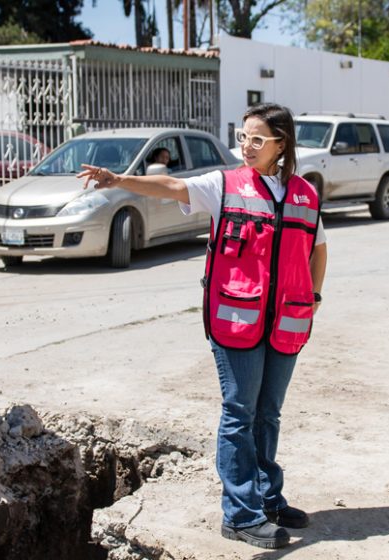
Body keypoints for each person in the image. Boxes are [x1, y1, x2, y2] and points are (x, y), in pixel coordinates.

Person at [78, 103, 327, 550]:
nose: (246, 146)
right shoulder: (224, 185)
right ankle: (241, 514)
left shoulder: (305, 194)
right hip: (237, 321)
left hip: (286, 321)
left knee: (268, 414)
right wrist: (118, 180)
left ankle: (268, 498)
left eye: (257, 139)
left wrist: (314, 297)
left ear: (281, 144)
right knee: (240, 412)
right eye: (243, 136)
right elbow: (172, 186)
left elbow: (318, 248)